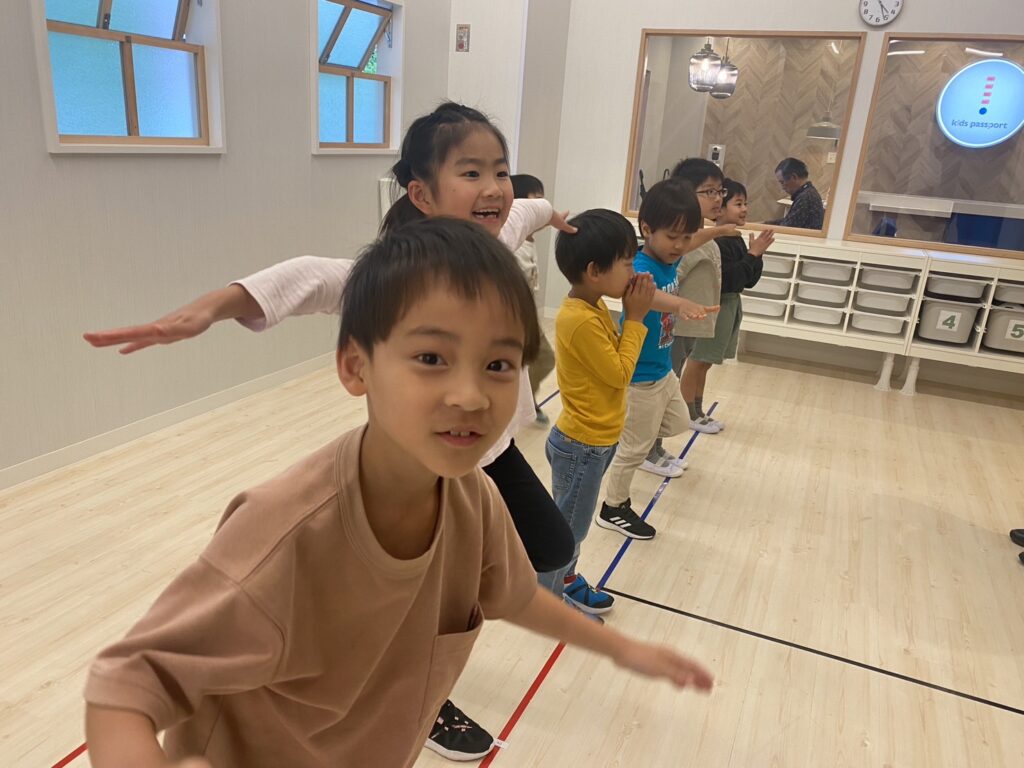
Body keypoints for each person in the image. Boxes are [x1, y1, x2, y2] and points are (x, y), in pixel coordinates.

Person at [82, 219, 715, 768]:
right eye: (432, 359)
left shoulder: (473, 498)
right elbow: (124, 686)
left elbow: (515, 595)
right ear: (355, 366)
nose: (470, 396)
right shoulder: (285, 530)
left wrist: (621, 650)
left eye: (497, 365)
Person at [83, 102, 581, 763]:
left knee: (549, 549)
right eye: (471, 173)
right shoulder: (395, 282)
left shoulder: (504, 228)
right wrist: (209, 308)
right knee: (430, 586)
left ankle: (418, 659)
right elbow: (309, 278)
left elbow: (531, 211)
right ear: (422, 194)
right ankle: (419, 682)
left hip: (490, 457)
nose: (493, 187)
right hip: (430, 461)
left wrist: (558, 215)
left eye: (500, 171)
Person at [535, 209, 656, 614]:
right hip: (582, 446)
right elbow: (620, 374)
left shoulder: (593, 304)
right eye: (628, 263)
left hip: (593, 442)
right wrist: (635, 319)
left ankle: (565, 580)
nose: (633, 271)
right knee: (568, 532)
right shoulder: (579, 319)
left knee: (569, 526)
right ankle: (547, 603)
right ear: (594, 271)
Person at [597, 179, 703, 544]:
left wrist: (718, 231)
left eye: (687, 237)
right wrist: (681, 304)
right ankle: (613, 507)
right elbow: (651, 297)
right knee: (634, 450)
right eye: (673, 236)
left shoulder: (671, 256)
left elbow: (694, 242)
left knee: (680, 421)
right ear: (647, 229)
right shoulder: (640, 267)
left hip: (662, 371)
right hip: (639, 376)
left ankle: (628, 438)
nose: (681, 245)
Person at [684, 178, 776, 385]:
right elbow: (728, 280)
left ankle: (697, 405)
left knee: (707, 362)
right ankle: (689, 405)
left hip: (731, 305)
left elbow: (748, 281)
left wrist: (757, 255)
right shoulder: (717, 241)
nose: (744, 209)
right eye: (738, 204)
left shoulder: (735, 238)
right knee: (698, 360)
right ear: (721, 210)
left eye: (746, 204)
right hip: (717, 305)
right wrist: (752, 254)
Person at [669, 158, 728, 434]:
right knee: (665, 388)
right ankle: (650, 447)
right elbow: (668, 280)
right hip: (674, 327)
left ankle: (656, 445)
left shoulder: (705, 237)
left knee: (672, 382)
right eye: (709, 191)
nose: (718, 198)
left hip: (690, 326)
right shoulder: (684, 239)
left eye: (720, 191)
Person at [510, 173, 555, 425]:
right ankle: (518, 404)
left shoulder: (529, 240)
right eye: (536, 201)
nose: (543, 207)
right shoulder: (514, 245)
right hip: (516, 320)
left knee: (544, 360)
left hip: (528, 318)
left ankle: (525, 401)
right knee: (538, 359)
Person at [766, 157, 825, 230]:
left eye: (782, 182)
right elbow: (788, 220)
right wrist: (766, 224)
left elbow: (787, 228)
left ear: (793, 177)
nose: (782, 187)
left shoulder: (806, 198)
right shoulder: (808, 192)